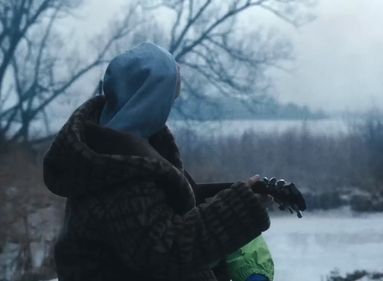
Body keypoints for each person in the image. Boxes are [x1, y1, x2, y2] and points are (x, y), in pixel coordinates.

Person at [43, 42, 304, 281]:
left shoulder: (126, 149)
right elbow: (165, 252)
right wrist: (242, 205)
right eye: (169, 97)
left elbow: (174, 206)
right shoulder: (115, 169)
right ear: (150, 99)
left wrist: (247, 192)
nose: (169, 107)